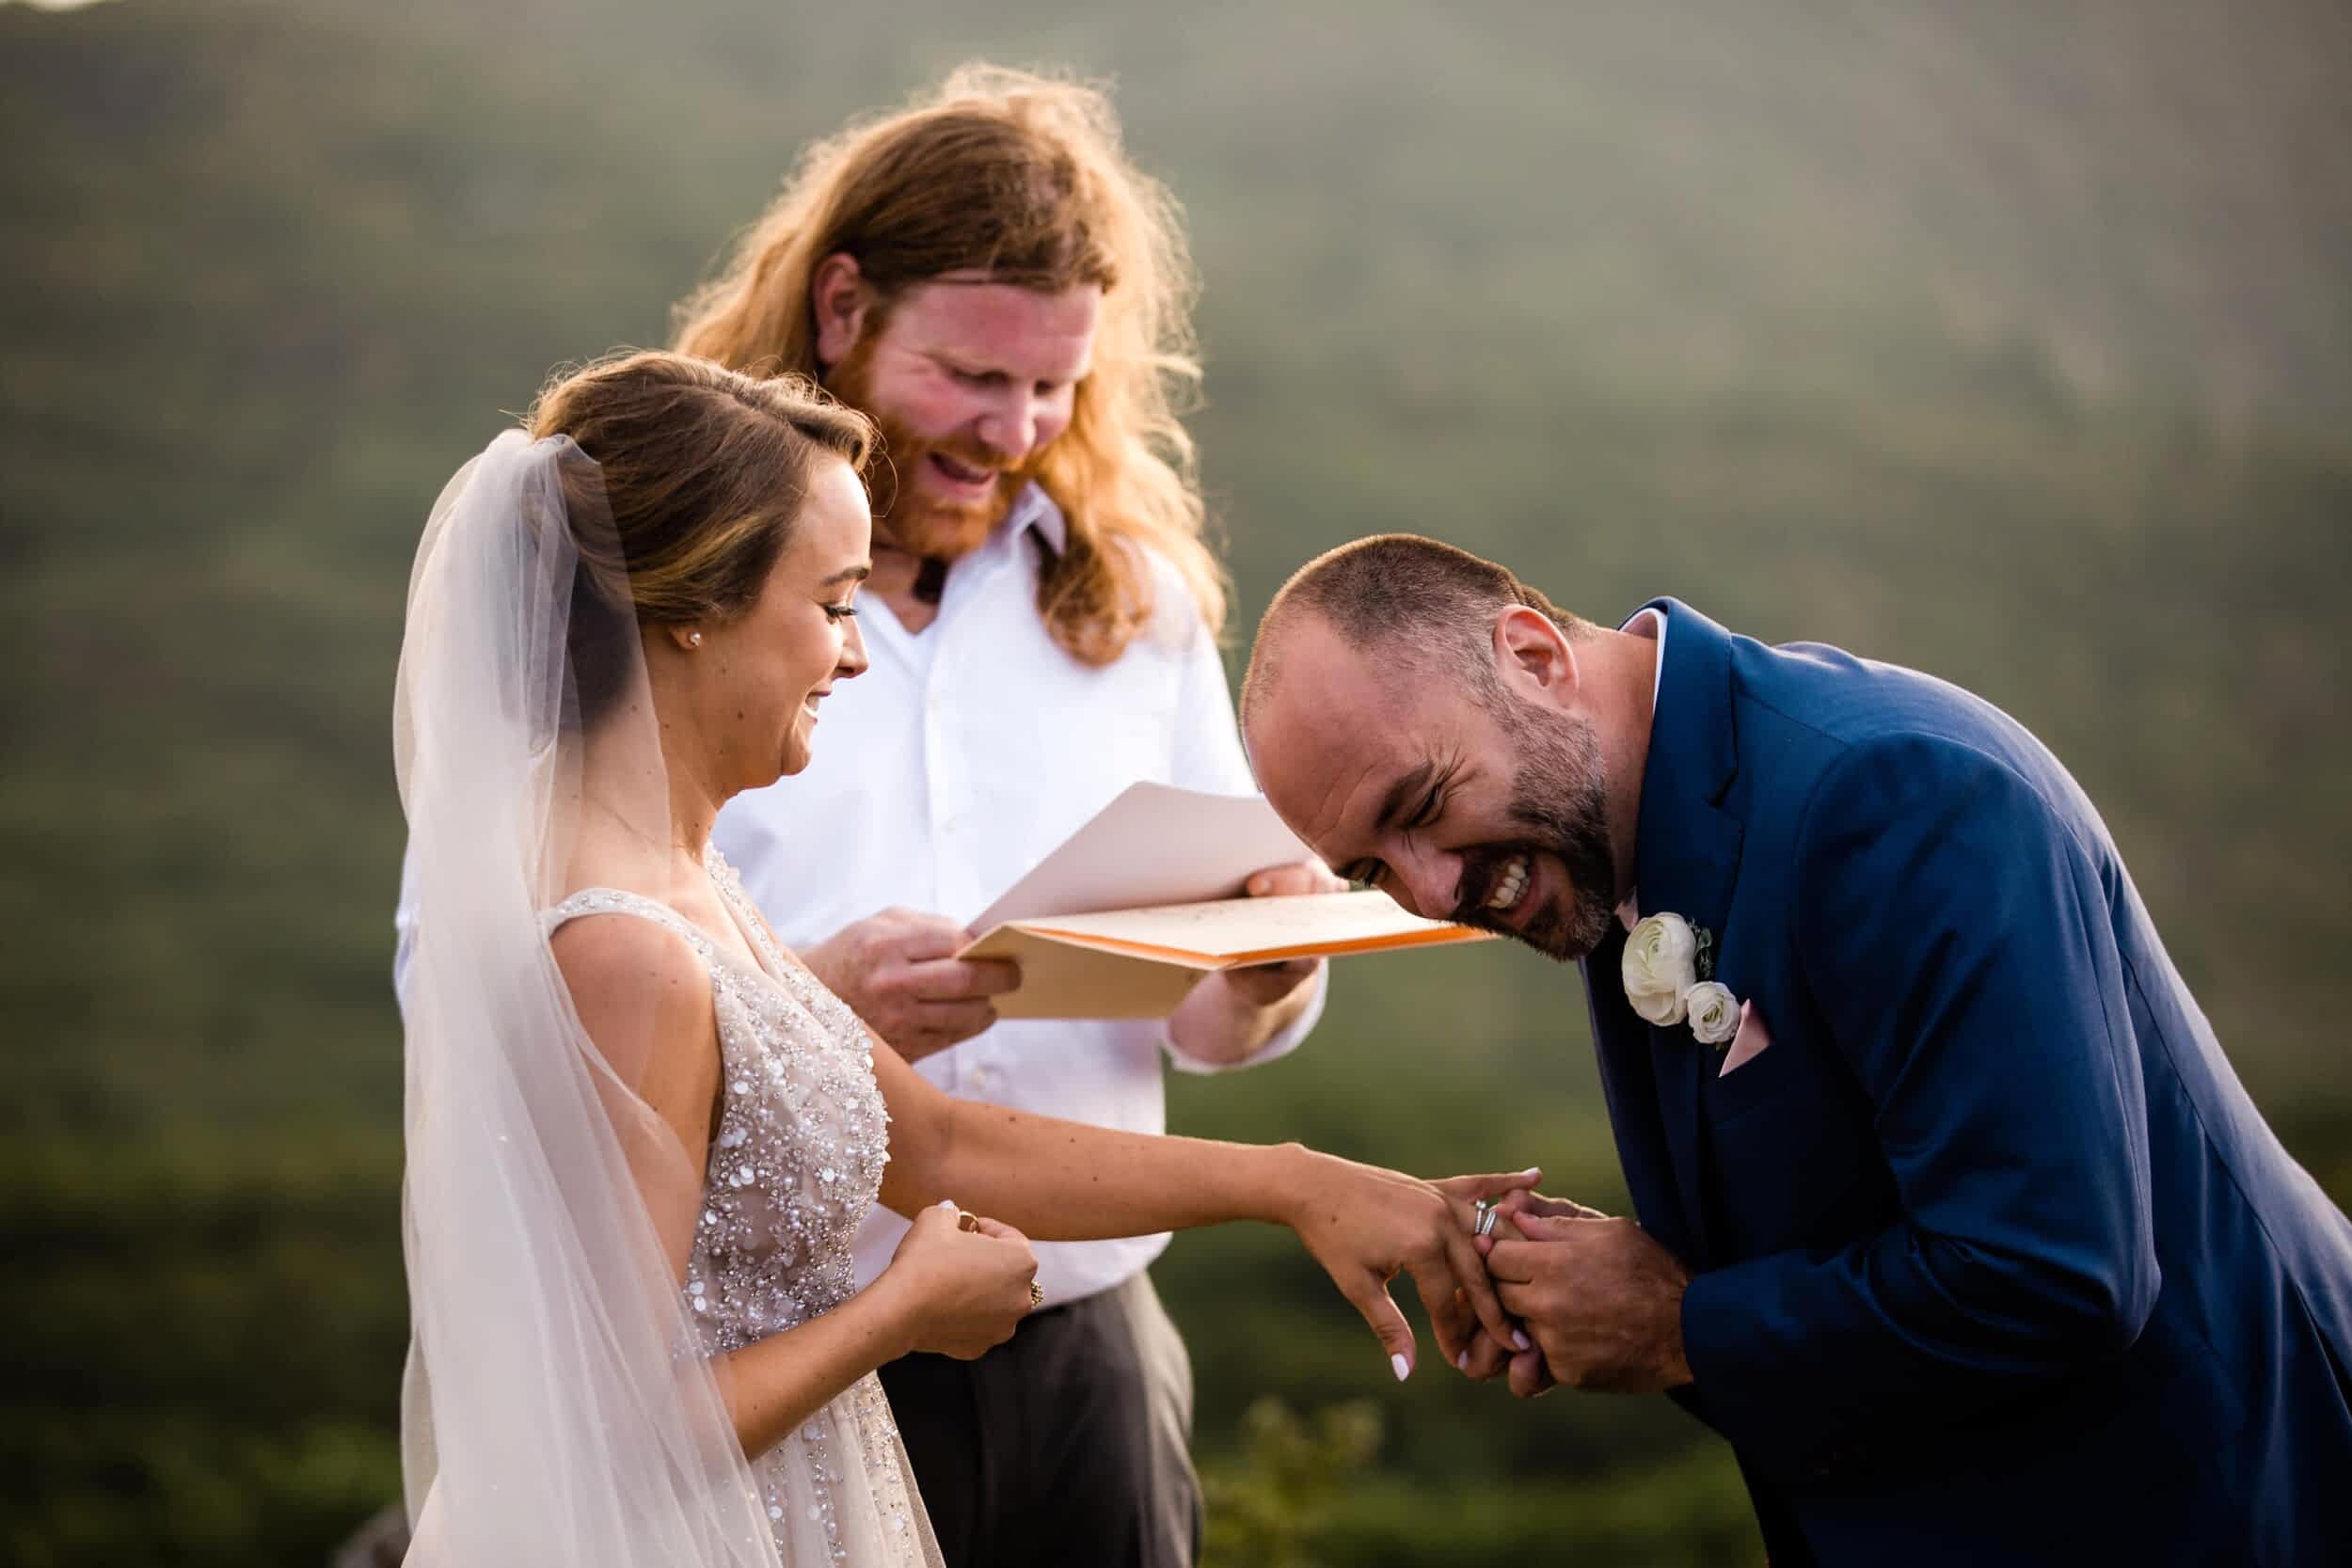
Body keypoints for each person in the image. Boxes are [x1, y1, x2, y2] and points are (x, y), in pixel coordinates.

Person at [392, 356, 1531, 1568]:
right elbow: (591, 1446)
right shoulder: (622, 947)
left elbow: (939, 1143)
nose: (854, 657)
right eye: (832, 604)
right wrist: (896, 1312)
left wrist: (1302, 1182)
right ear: (695, 608)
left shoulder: (690, 878)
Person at [1236, 533, 2352, 1567]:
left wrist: (1680, 1325)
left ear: (1531, 657)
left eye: (1424, 802)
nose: (1433, 888)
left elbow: (2055, 1270)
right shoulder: (1596, 838)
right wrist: (1586, 1288)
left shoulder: (1898, 795)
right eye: (1373, 870)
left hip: (2203, 1506)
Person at [670, 65, 1326, 1566]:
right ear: (842, 309)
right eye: (973, 375)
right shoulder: (657, 589)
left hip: (1093, 1345)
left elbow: (1208, 1026)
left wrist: (1266, 969)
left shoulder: (1138, 596)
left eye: (1056, 386)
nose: (1018, 428)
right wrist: (814, 1010)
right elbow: (488, 976)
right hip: (785, 1355)